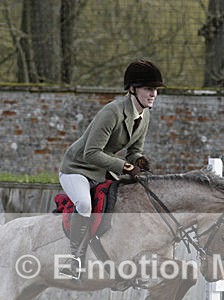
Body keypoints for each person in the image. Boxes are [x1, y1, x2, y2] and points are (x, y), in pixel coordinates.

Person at [57, 59, 165, 279]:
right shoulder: (112, 112)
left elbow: (134, 150)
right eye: (148, 88)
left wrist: (139, 161)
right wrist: (125, 166)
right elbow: (91, 152)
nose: (153, 93)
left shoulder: (144, 115)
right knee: (85, 203)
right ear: (133, 89)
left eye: (155, 89)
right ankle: (75, 259)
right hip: (77, 168)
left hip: (102, 170)